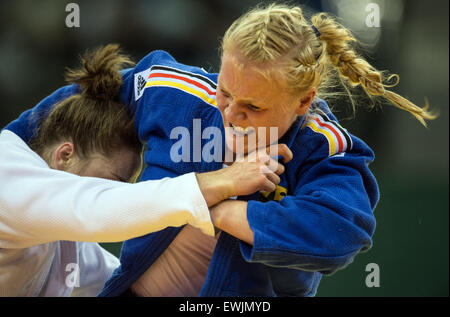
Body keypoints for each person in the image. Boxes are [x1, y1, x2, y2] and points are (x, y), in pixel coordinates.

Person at [9, 4, 436, 297]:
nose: (231, 113)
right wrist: (15, 151)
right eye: (225, 92)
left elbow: (342, 231)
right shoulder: (173, 93)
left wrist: (223, 213)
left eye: (253, 106)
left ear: (303, 102)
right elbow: (82, 99)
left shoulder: (325, 150)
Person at [0, 44, 287, 296]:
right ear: (65, 155)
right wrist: (222, 181)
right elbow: (101, 207)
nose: (121, 191)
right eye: (113, 181)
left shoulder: (61, 234)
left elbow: (106, 278)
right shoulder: (7, 174)